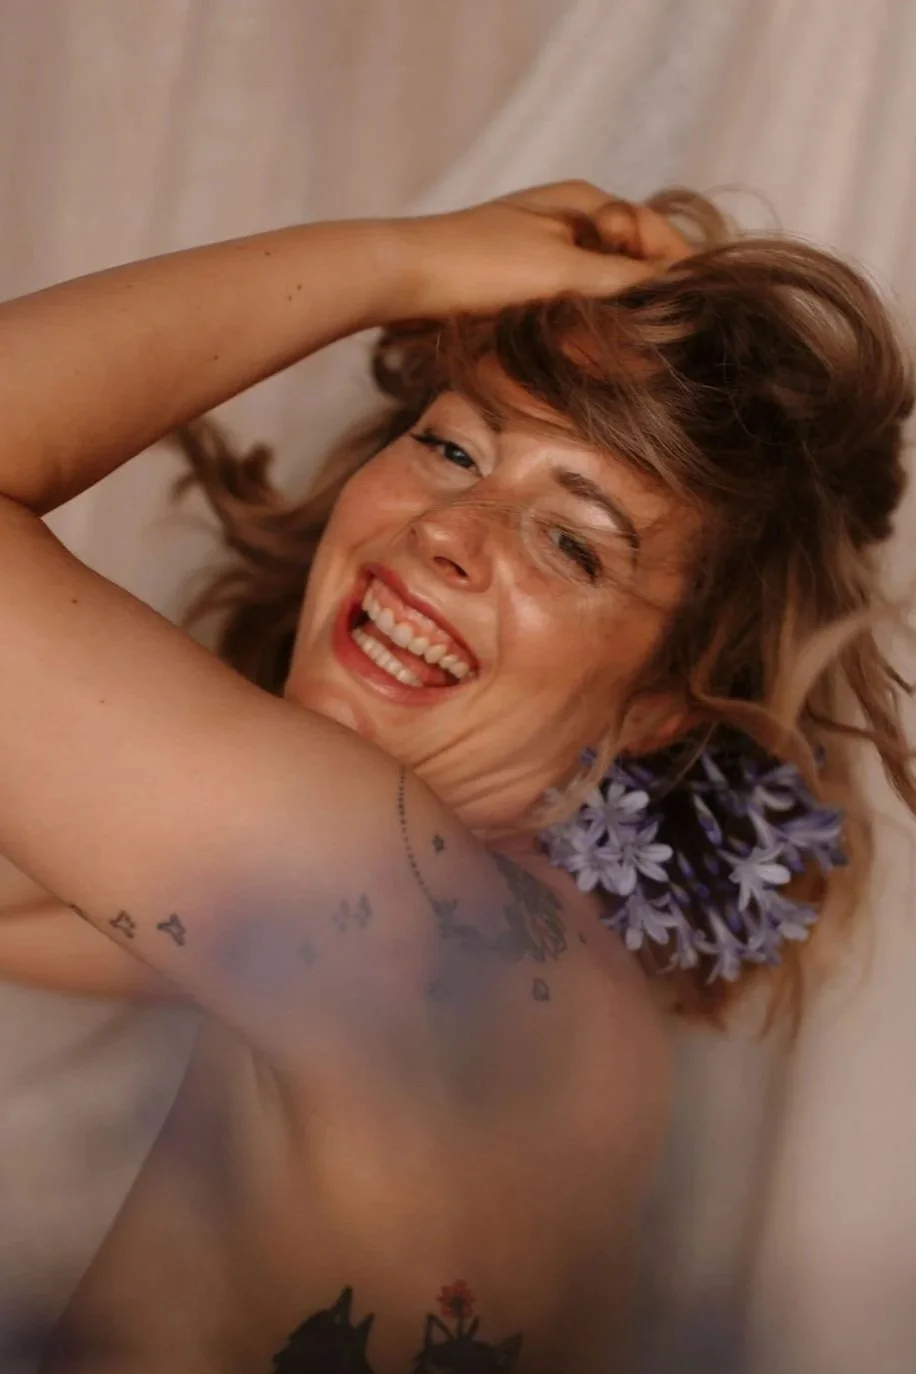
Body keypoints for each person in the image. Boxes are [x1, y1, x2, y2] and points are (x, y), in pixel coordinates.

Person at [0, 180, 910, 1372]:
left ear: (659, 703)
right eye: (449, 446)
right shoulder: (502, 966)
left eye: (571, 542)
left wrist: (401, 261)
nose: (449, 531)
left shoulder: (375, 902)